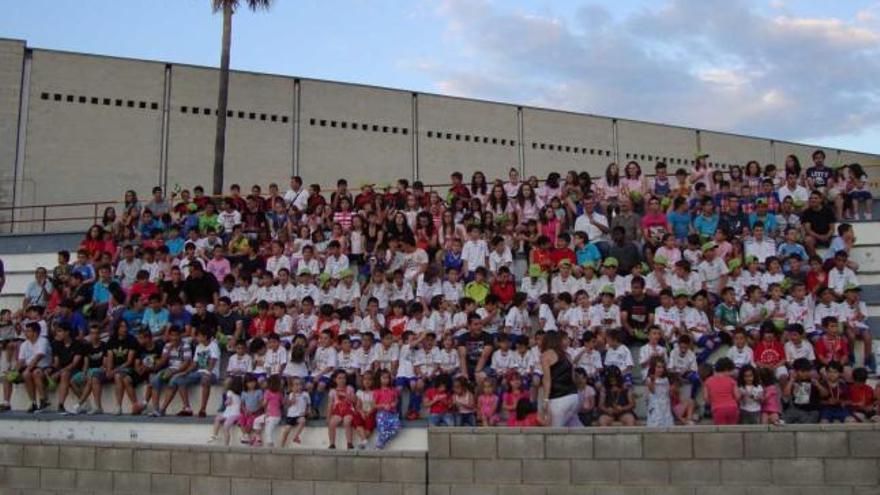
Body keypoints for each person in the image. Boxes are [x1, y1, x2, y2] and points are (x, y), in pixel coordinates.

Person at [540, 331, 581, 427]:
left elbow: (547, 380)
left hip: (559, 398)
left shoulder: (546, 355)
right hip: (574, 397)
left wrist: (545, 400)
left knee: (555, 432)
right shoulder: (567, 355)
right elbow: (573, 377)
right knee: (572, 426)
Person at [704, 357, 740, 425]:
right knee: (733, 431)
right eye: (731, 371)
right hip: (732, 408)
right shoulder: (732, 381)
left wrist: (713, 402)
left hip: (717, 408)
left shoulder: (708, 381)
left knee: (721, 432)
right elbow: (737, 397)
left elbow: (706, 398)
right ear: (727, 369)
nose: (732, 373)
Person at [210, 376, 243, 445]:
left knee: (225, 426)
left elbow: (228, 402)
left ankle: (219, 438)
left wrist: (226, 402)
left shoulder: (229, 392)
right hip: (235, 413)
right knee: (219, 419)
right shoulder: (240, 394)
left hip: (231, 413)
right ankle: (216, 436)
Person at [645, 356, 673, 427]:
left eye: (662, 367)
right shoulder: (649, 379)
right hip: (655, 406)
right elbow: (653, 391)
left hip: (665, 406)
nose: (661, 369)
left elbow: (668, 393)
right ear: (653, 367)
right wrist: (653, 381)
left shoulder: (666, 380)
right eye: (658, 367)